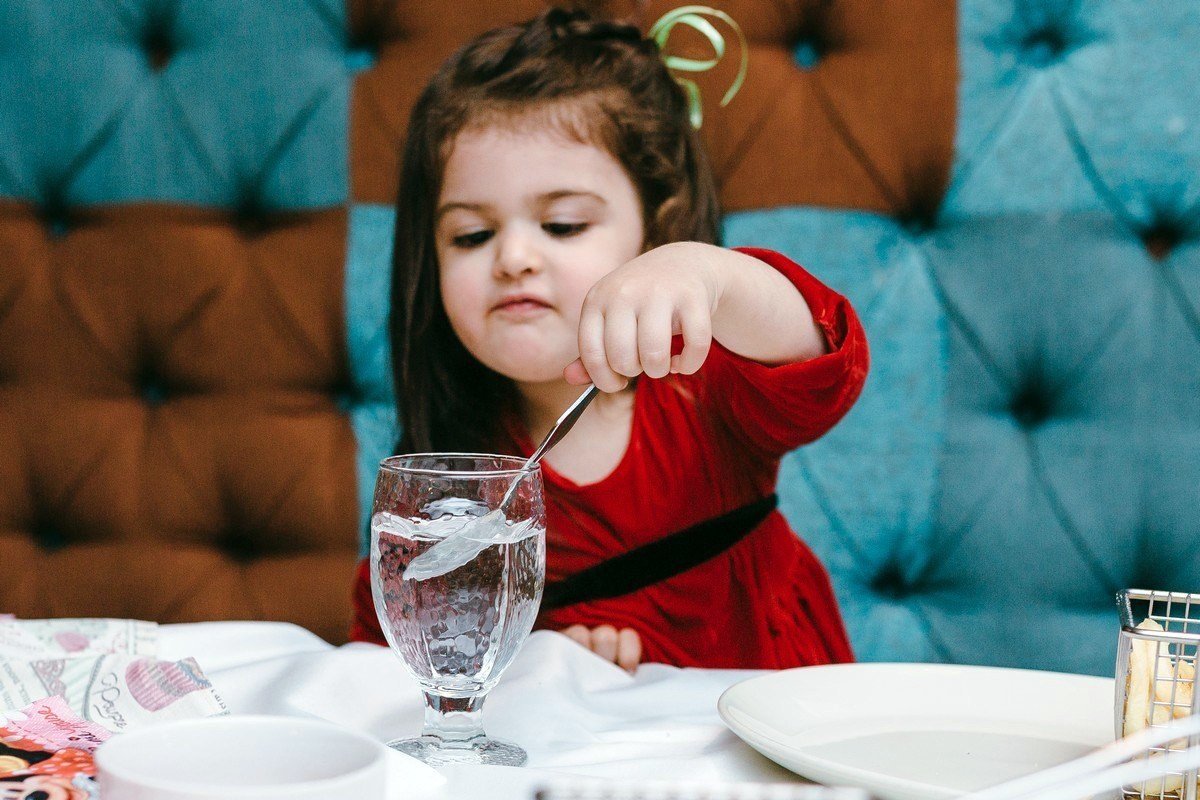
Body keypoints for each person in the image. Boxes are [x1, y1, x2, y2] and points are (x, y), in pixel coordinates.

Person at [349, 6, 868, 671]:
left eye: (563, 225)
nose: (513, 258)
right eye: (472, 236)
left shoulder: (706, 384)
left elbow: (823, 362)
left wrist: (712, 276)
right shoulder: (446, 487)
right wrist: (540, 666)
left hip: (763, 712)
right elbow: (392, 663)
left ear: (657, 229)